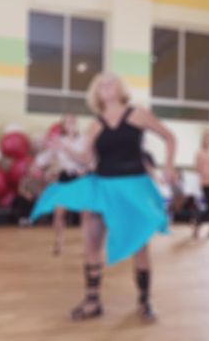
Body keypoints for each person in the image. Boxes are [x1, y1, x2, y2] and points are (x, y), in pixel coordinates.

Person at [31, 72, 176, 322]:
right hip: (102, 186)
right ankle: (92, 300)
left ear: (120, 89)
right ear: (96, 94)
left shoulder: (137, 114)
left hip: (133, 187)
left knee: (139, 244)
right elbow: (86, 159)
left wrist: (169, 166)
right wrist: (64, 147)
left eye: (111, 81)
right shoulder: (95, 124)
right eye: (101, 84)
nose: (106, 85)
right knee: (91, 242)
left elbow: (169, 137)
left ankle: (144, 301)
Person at [37, 114, 88, 255]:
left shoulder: (83, 140)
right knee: (60, 212)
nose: (71, 124)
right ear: (63, 125)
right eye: (67, 122)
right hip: (65, 177)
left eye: (73, 121)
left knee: (85, 213)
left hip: (80, 177)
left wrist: (86, 169)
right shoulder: (59, 141)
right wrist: (39, 166)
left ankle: (87, 243)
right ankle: (58, 243)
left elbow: (89, 157)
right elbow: (45, 157)